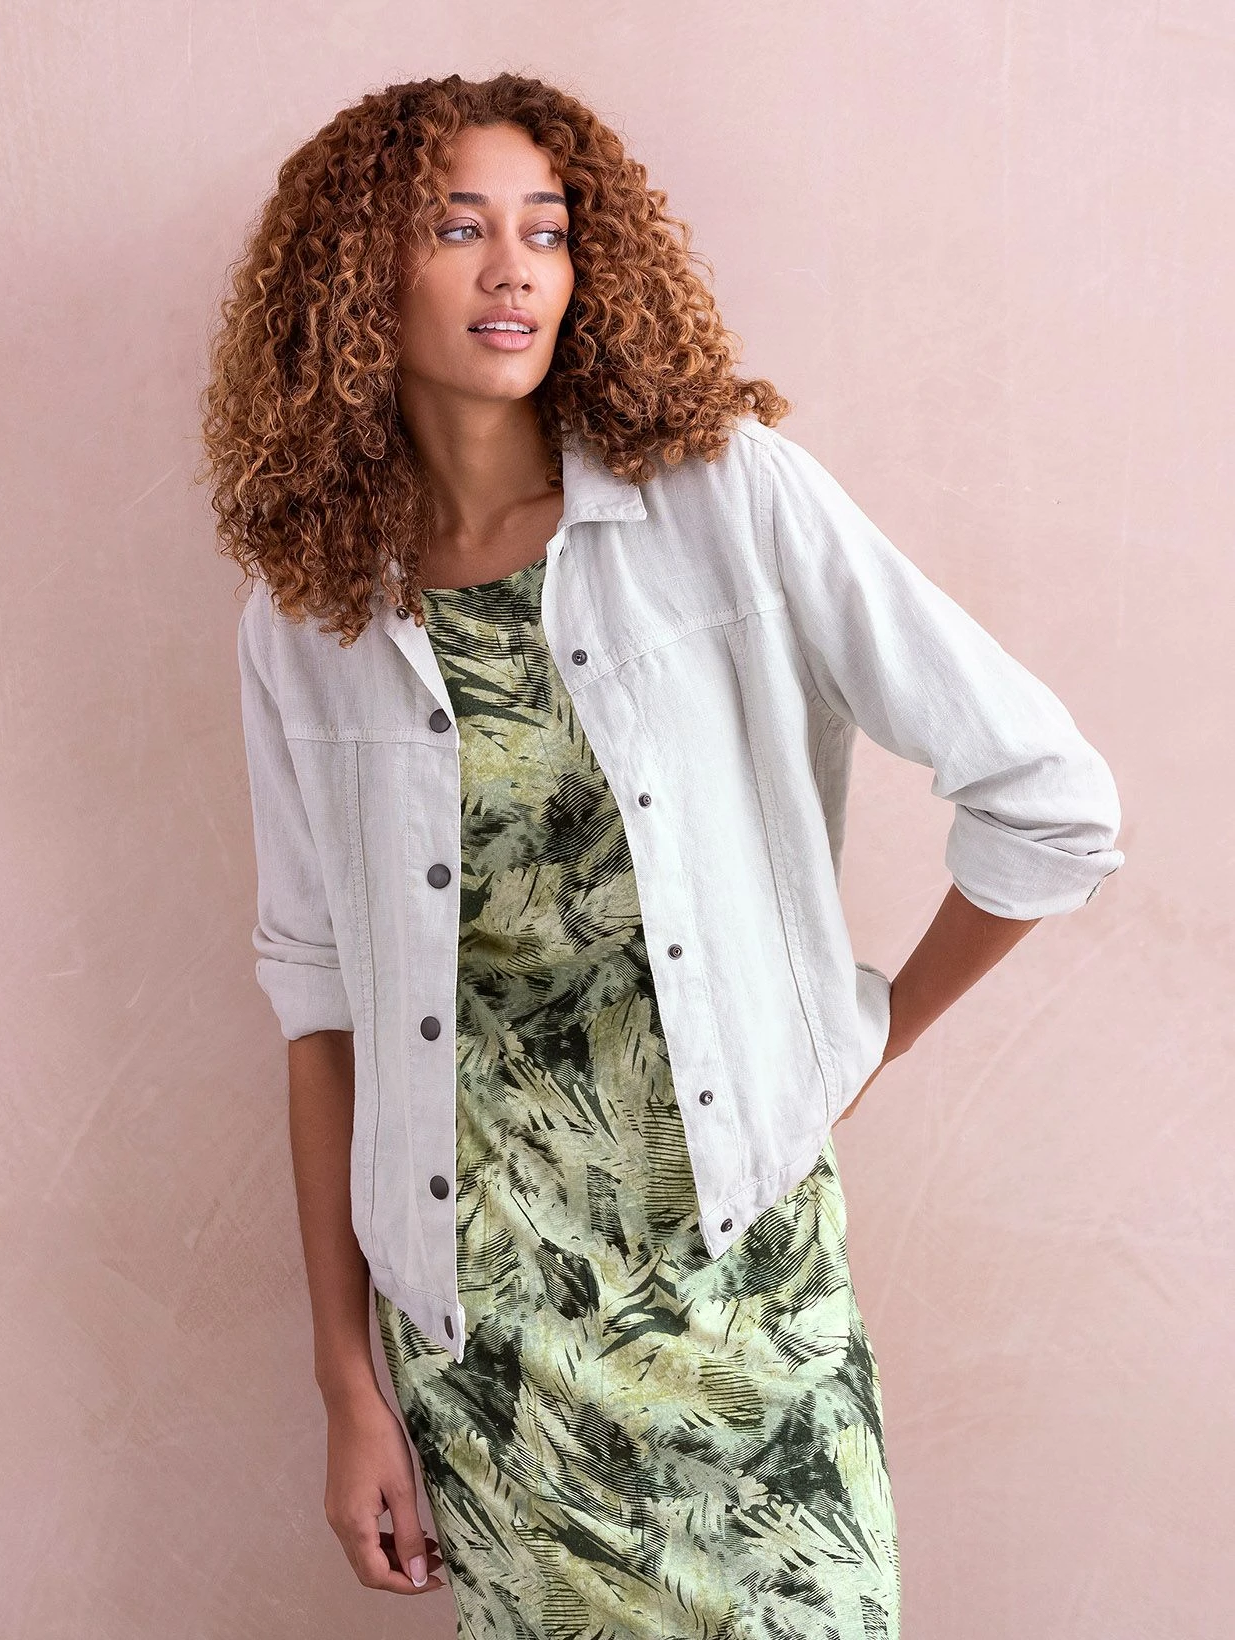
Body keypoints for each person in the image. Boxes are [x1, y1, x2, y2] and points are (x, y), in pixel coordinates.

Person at [201, 72, 1124, 1640]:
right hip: (485, 1335)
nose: (514, 269)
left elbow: (1049, 798)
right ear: (354, 278)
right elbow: (321, 1007)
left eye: (547, 230)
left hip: (742, 1299)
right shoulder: (309, 618)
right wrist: (345, 1385)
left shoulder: (724, 499)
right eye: (457, 228)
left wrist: (863, 1034)